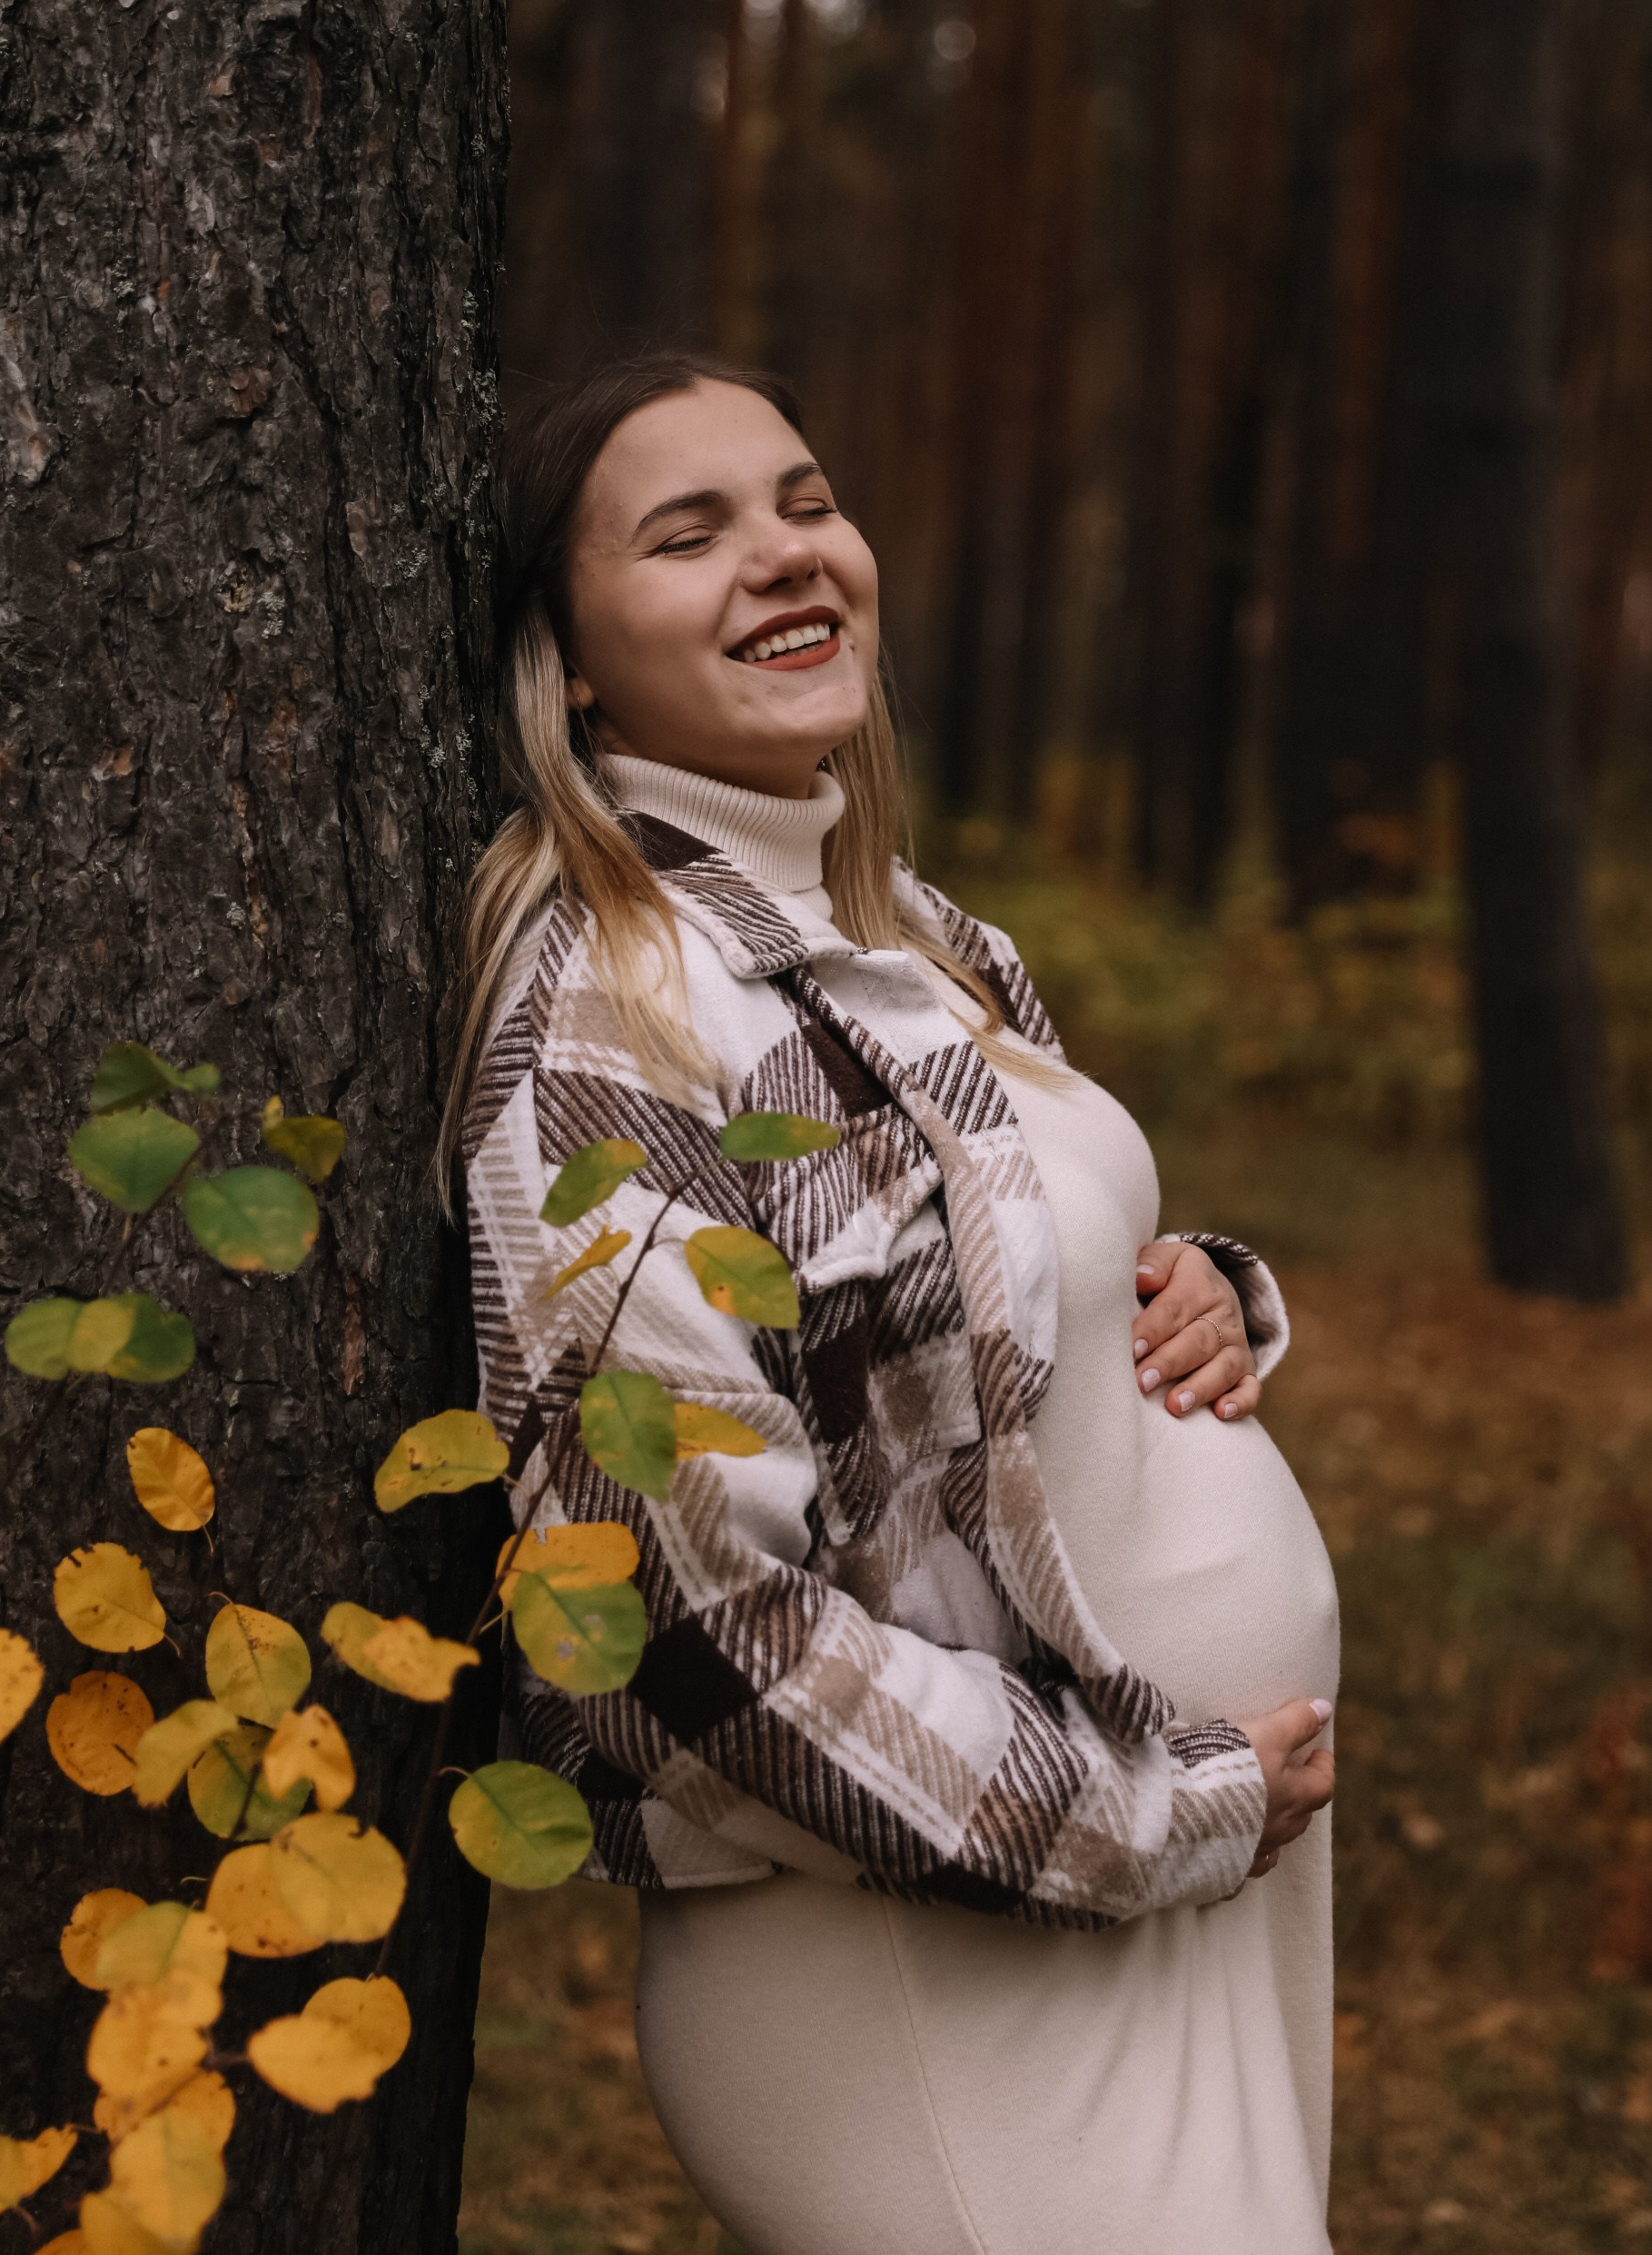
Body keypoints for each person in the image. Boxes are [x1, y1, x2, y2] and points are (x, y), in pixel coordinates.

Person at [448, 352, 1341, 2255]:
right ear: (573, 659)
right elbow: (685, 1634)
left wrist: (1196, 1301)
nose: (782, 558)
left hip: (1162, 1877)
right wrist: (1158, 1812)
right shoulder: (609, 1026)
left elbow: (983, 1319)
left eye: (800, 502)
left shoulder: (923, 941)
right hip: (931, 1962)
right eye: (687, 536)